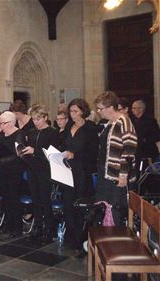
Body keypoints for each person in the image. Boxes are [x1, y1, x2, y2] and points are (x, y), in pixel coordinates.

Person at [95, 91, 137, 225]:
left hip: (117, 176)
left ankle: (116, 240)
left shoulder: (124, 121)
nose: (98, 111)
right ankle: (107, 236)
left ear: (110, 108)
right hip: (106, 173)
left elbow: (129, 150)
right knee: (105, 207)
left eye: (100, 108)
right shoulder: (111, 123)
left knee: (115, 210)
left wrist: (123, 175)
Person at [62, 98, 98, 251]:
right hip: (67, 169)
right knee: (67, 203)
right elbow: (63, 144)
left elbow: (93, 153)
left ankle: (81, 238)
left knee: (80, 204)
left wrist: (74, 155)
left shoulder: (90, 128)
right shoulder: (69, 125)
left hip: (82, 171)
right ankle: (70, 236)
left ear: (83, 112)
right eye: (71, 111)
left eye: (75, 111)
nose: (72, 114)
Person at [22, 105, 59, 241]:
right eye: (34, 119)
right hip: (32, 169)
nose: (36, 122)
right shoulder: (31, 132)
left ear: (45, 118)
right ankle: (37, 226)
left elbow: (52, 152)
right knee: (35, 199)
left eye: (38, 119)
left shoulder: (52, 132)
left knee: (45, 199)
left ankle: (50, 229)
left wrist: (35, 150)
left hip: (45, 169)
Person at [0, 111, 27, 237]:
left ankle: (17, 227)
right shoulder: (1, 136)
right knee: (6, 199)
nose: (0, 125)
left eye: (2, 123)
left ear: (10, 123)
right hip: (3, 171)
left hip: (15, 171)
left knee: (14, 199)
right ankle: (8, 225)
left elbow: (19, 155)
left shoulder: (19, 134)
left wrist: (0, 160)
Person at [131, 99, 160, 165]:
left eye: (134, 108)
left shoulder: (150, 120)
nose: (132, 110)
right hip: (137, 152)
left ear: (141, 109)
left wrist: (144, 140)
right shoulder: (133, 121)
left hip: (148, 152)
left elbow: (157, 135)